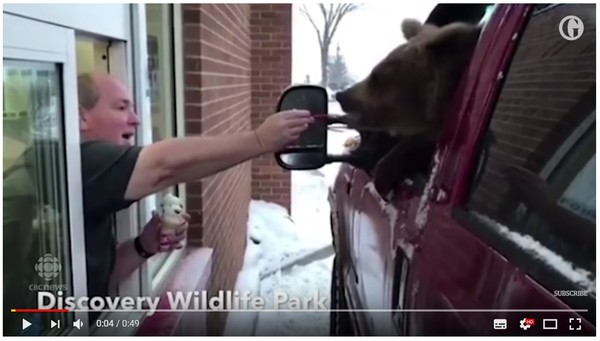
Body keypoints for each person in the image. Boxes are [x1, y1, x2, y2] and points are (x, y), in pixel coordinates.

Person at [4, 72, 313, 334]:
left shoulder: (81, 181)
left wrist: (143, 245)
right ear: (80, 116)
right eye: (121, 107)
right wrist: (258, 141)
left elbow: (99, 281)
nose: (136, 119)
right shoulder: (71, 160)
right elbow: (164, 166)